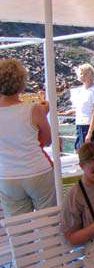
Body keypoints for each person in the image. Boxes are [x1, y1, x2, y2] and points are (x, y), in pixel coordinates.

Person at [0, 59, 56, 217]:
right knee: (48, 222)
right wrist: (44, 113)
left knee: (19, 228)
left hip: (7, 175)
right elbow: (48, 141)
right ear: (21, 83)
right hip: (38, 171)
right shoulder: (34, 110)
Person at [65, 64, 94, 151]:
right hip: (80, 125)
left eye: (83, 73)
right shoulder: (82, 90)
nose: (80, 76)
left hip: (89, 126)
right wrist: (70, 112)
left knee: (87, 154)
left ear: (89, 75)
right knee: (80, 151)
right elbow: (83, 107)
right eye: (80, 73)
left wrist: (89, 133)